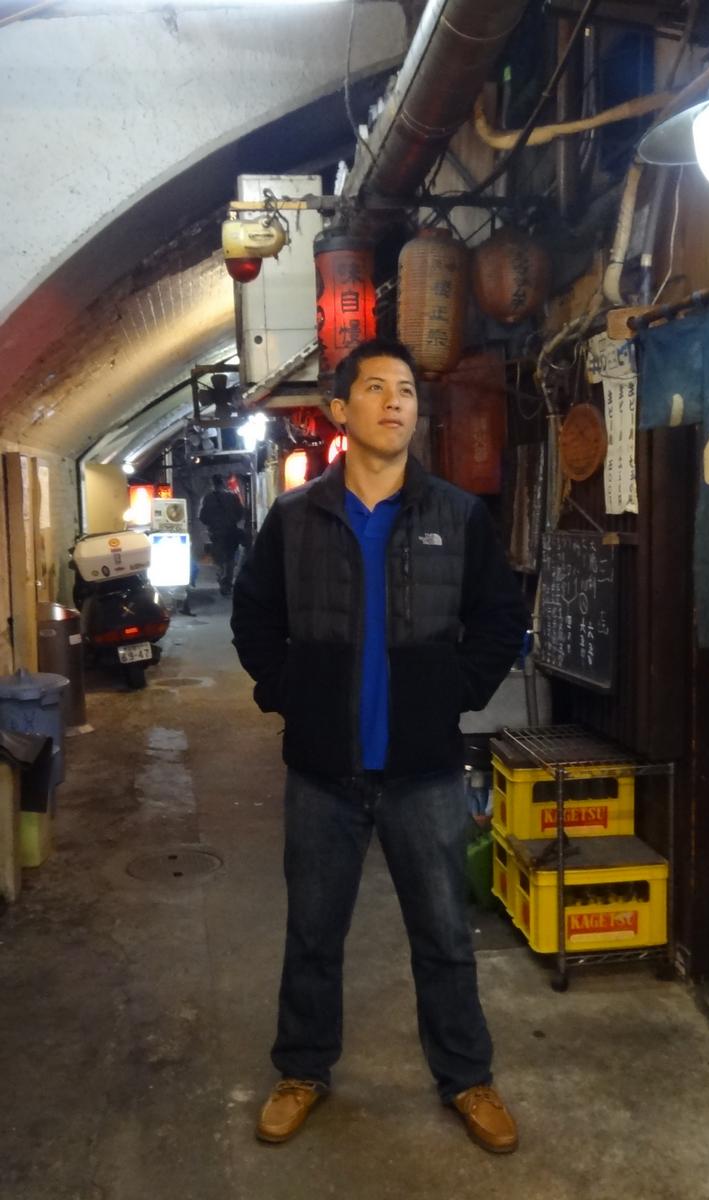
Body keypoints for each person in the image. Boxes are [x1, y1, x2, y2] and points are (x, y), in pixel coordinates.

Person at [230, 338, 528, 1153]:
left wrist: (455, 691)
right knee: (313, 934)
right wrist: (285, 690)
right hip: (323, 773)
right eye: (376, 388)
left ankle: (467, 1078)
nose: (396, 401)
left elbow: (502, 617)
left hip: (423, 772)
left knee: (442, 935)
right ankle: (301, 1070)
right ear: (339, 409)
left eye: (406, 390)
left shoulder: (456, 516)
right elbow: (252, 614)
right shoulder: (297, 519)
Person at [199, 474, 245, 596]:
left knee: (219, 558)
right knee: (230, 558)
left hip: (216, 533)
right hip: (231, 531)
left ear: (212, 484)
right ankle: (227, 583)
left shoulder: (208, 498)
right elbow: (240, 513)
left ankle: (222, 578)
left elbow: (202, 517)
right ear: (222, 483)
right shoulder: (232, 496)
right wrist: (231, 520)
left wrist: (213, 522)